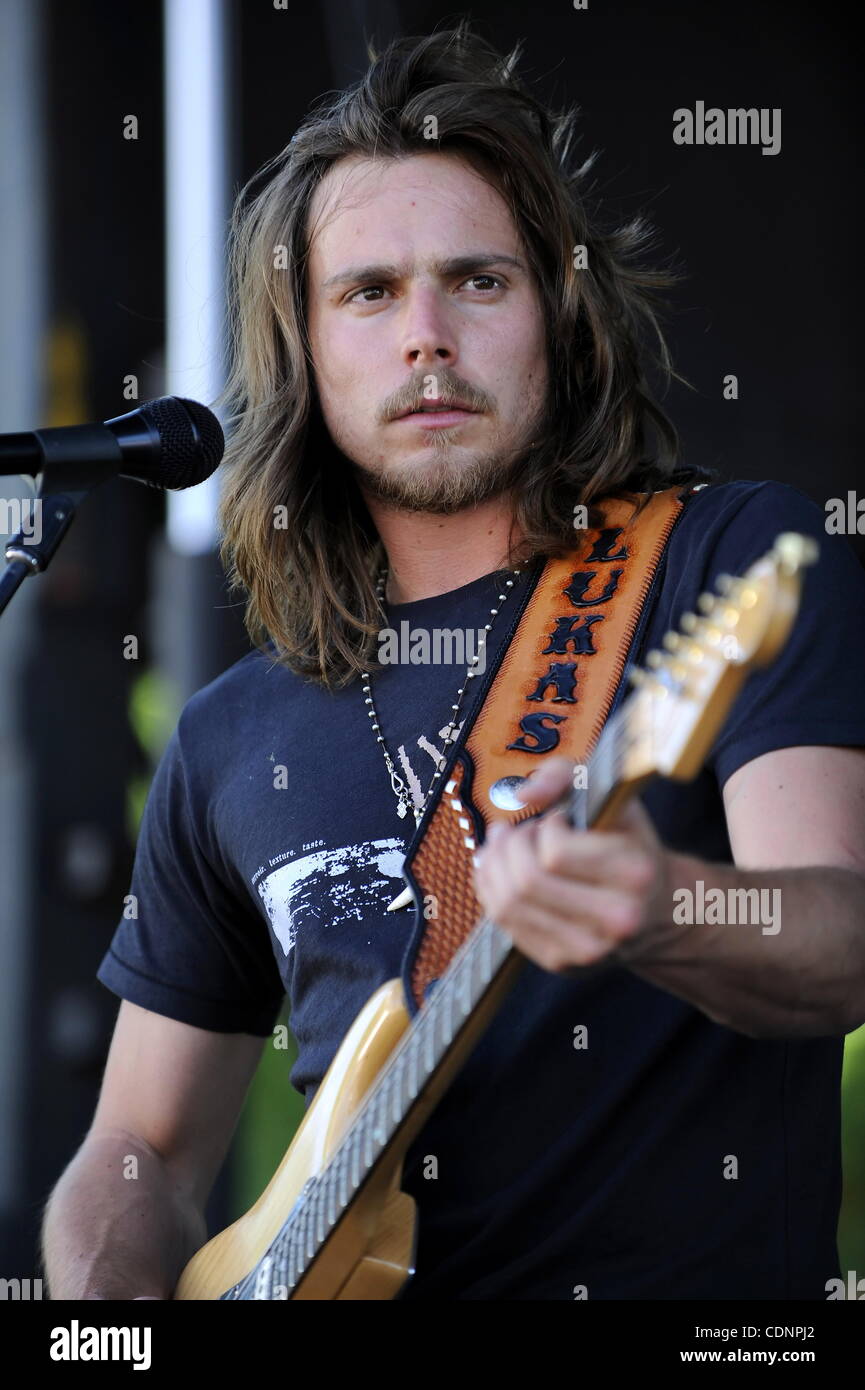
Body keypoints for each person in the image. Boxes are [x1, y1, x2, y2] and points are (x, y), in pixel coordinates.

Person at [42, 22, 865, 1302]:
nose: (426, 333)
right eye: (368, 292)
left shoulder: (723, 563)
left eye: (477, 281)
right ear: (304, 355)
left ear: (557, 315)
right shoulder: (226, 732)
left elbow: (843, 934)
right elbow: (137, 1147)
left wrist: (665, 908)